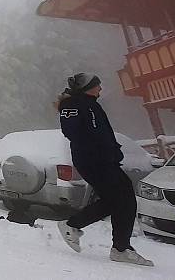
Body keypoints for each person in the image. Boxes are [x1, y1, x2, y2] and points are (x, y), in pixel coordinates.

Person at [55, 73, 154, 267]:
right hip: (94, 161)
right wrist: (103, 151)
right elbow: (75, 132)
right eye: (97, 85)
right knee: (124, 198)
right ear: (87, 87)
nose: (100, 88)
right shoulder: (74, 105)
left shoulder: (89, 104)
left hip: (101, 160)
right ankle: (119, 248)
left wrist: (112, 150)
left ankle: (76, 227)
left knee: (116, 200)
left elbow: (100, 132)